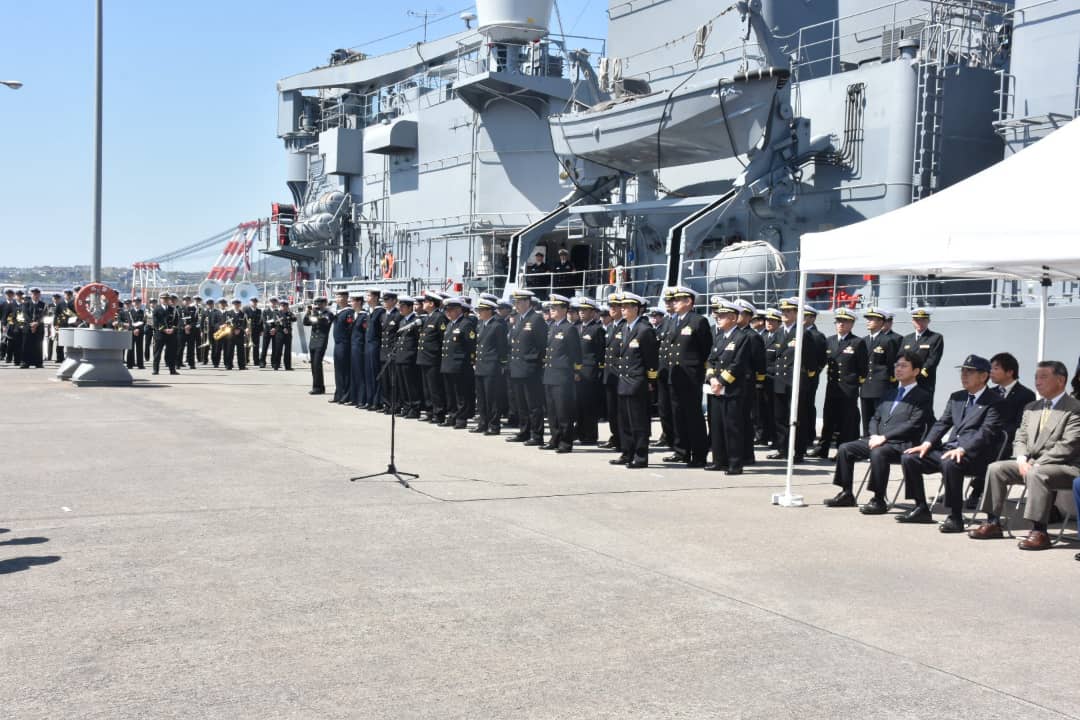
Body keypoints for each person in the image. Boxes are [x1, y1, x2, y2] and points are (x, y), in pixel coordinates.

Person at [970, 360, 1080, 550]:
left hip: (1065, 466)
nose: (1037, 381)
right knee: (996, 468)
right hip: (1030, 462)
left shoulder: (1075, 407)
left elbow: (1068, 446)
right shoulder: (1031, 407)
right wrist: (1021, 458)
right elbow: (1020, 437)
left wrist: (1037, 464)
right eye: (1036, 377)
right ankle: (993, 522)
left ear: (1061, 380)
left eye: (1044, 377)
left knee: (1038, 474)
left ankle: (1039, 531)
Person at [899, 355, 1003, 531]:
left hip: (976, 455)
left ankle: (955, 517)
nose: (964, 375)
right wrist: (926, 444)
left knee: (950, 462)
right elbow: (942, 423)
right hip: (950, 450)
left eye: (969, 372)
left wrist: (963, 448)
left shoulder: (996, 401)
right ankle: (921, 507)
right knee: (910, 457)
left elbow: (986, 432)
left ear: (983, 376)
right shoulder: (957, 397)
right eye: (962, 371)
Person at [825, 351, 932, 512]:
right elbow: (875, 417)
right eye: (897, 365)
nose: (898, 369)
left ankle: (878, 499)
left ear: (916, 371)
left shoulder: (922, 395)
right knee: (845, 448)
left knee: (878, 452)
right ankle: (846, 493)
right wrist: (874, 434)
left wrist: (884, 437)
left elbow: (914, 424)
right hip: (879, 439)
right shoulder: (889, 393)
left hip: (901, 443)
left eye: (904, 366)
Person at [662, 286, 713, 468]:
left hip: (691, 377)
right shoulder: (671, 322)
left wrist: (701, 371)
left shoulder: (698, 321)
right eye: (673, 300)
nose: (673, 303)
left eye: (678, 299)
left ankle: (699, 455)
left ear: (689, 302)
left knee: (693, 416)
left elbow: (706, 349)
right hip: (674, 376)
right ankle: (681, 451)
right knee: (677, 415)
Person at [610, 293, 658, 469]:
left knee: (638, 421)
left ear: (636, 309)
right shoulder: (624, 328)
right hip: (623, 380)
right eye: (621, 306)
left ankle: (640, 456)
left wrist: (650, 380)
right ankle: (627, 452)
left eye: (627, 306)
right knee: (624, 421)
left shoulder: (644, 330)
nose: (623, 309)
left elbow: (651, 359)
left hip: (638, 381)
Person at [704, 298, 752, 474]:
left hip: (732, 390)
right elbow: (710, 360)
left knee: (732, 427)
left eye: (722, 316)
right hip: (716, 389)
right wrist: (712, 379)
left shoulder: (742, 337)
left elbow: (737, 364)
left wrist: (721, 381)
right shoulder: (719, 337)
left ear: (733, 318)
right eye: (718, 316)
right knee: (716, 426)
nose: (718, 318)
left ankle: (735, 463)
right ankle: (719, 460)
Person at [813, 308, 868, 459]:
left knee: (846, 420)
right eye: (838, 321)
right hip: (833, 386)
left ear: (852, 324)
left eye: (845, 322)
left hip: (848, 387)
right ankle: (823, 448)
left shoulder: (857, 342)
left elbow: (863, 368)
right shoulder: (829, 341)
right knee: (829, 417)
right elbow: (822, 362)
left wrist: (856, 382)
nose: (841, 324)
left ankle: (843, 450)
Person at [768, 298, 818, 462]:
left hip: (795, 382)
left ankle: (798, 451)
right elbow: (773, 357)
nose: (784, 314)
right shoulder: (778, 333)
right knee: (779, 418)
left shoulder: (803, 333)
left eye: (788, 311)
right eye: (783, 311)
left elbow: (812, 360)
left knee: (797, 418)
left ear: (797, 313)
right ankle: (783, 449)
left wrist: (807, 379)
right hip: (780, 381)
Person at [541, 294, 582, 453]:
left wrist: (576, 371)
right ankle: (555, 438)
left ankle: (566, 442)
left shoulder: (569, 328)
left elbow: (576, 353)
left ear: (564, 310)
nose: (551, 310)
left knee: (563, 411)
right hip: (550, 374)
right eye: (550, 308)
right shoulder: (552, 327)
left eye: (555, 308)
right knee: (552, 412)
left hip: (562, 376)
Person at [507, 289, 548, 445]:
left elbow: (542, 344)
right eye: (515, 302)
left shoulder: (536, 319)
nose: (516, 305)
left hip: (530, 368)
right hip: (517, 368)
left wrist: (535, 362)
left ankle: (537, 435)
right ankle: (524, 431)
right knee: (521, 404)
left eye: (519, 302)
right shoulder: (519, 319)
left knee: (534, 404)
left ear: (527, 302)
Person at [859, 307, 901, 436]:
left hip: (881, 386)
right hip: (866, 386)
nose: (868, 321)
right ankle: (866, 443)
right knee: (866, 418)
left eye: (872, 319)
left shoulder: (888, 341)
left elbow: (892, 363)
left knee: (880, 418)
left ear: (881, 322)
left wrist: (891, 382)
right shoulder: (864, 340)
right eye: (868, 319)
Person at [733, 299, 766, 464]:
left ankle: (747, 455)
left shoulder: (753, 336)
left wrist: (758, 382)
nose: (736, 316)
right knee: (735, 420)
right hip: (733, 383)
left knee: (745, 420)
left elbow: (759, 363)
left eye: (740, 313)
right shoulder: (733, 334)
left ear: (747, 317)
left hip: (746, 383)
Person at [473, 297, 509, 435]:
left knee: (492, 398)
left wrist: (502, 364)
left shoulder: (497, 325)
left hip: (492, 366)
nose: (479, 313)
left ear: (489, 311)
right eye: (478, 310)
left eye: (481, 310)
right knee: (481, 398)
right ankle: (483, 423)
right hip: (481, 365)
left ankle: (494, 425)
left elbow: (502, 348)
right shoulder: (482, 324)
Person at [440, 297, 476, 429]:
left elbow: (471, 345)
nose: (448, 313)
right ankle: (452, 415)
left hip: (460, 365)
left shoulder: (465, 324)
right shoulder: (450, 324)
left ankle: (461, 418)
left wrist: (468, 361)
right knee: (450, 393)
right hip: (448, 364)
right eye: (447, 310)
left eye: (451, 310)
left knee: (461, 394)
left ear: (459, 310)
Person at [574, 297, 605, 445]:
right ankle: (580, 432)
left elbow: (600, 352)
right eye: (580, 310)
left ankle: (590, 435)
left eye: (585, 310)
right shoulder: (577, 327)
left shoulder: (597, 329)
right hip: (577, 371)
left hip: (589, 372)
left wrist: (597, 372)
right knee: (578, 404)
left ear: (593, 312)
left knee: (589, 405)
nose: (581, 313)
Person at [900, 308, 945, 405]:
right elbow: (901, 357)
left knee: (923, 407)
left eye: (923, 320)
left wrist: (920, 372)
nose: (920, 323)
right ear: (912, 321)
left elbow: (933, 358)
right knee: (906, 406)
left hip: (925, 379)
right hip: (908, 379)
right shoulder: (907, 338)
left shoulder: (935, 337)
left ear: (928, 321)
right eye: (917, 320)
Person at [418, 291, 447, 422]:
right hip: (424, 358)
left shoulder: (439, 317)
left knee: (435, 388)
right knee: (426, 388)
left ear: (431, 303)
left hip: (433, 358)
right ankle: (430, 411)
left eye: (425, 301)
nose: (423, 304)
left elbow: (442, 340)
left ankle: (438, 413)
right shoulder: (428, 317)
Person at [601, 296, 625, 453]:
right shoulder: (610, 327)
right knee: (612, 410)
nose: (613, 308)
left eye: (617, 306)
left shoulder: (625, 326)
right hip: (610, 374)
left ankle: (623, 440)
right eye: (611, 306)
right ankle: (615, 436)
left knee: (622, 411)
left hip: (621, 375)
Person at [654, 290, 676, 449]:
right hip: (663, 372)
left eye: (671, 301)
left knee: (677, 409)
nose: (668, 304)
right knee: (664, 408)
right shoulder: (666, 321)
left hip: (677, 372)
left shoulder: (684, 321)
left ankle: (678, 440)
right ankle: (668, 436)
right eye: (667, 301)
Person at [393, 295, 422, 418]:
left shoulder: (415, 321)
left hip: (410, 357)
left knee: (411, 385)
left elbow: (417, 340)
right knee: (402, 385)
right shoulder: (402, 321)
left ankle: (414, 408)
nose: (400, 308)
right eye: (400, 306)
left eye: (403, 306)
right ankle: (406, 407)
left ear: (410, 307)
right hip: (400, 356)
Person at [303, 298, 332, 394]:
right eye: (317, 303)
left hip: (321, 341)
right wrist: (309, 312)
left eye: (320, 303)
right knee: (313, 365)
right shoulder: (315, 313)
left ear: (325, 304)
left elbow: (322, 321)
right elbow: (306, 322)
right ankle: (318, 386)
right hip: (313, 342)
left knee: (317, 364)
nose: (318, 305)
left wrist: (315, 316)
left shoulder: (328, 314)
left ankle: (318, 387)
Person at [329, 291, 354, 404]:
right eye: (336, 297)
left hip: (344, 344)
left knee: (345, 371)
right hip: (338, 344)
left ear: (345, 298)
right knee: (338, 370)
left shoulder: (349, 312)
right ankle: (338, 393)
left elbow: (350, 328)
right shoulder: (338, 312)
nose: (337, 299)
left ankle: (346, 394)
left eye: (339, 297)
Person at [379, 291, 401, 413]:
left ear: (394, 301)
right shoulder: (383, 315)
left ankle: (395, 405)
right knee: (385, 380)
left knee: (393, 380)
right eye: (384, 300)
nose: (385, 302)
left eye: (387, 300)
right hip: (384, 351)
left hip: (392, 352)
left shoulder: (398, 315)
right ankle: (386, 404)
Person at [364, 289, 384, 410]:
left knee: (376, 373)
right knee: (369, 374)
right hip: (368, 345)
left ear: (376, 298)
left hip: (375, 346)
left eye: (369, 295)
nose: (367, 297)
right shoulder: (370, 312)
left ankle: (377, 401)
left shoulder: (380, 312)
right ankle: (370, 399)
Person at [152, 293, 181, 375]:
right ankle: (156, 369)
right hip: (160, 334)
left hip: (171, 334)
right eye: (163, 298)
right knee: (157, 352)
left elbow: (177, 321)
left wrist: (173, 329)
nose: (165, 300)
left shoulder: (173, 309)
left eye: (166, 298)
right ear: (160, 299)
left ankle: (172, 370)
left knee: (171, 352)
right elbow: (155, 323)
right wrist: (164, 329)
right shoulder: (156, 309)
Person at [347, 293, 368, 403]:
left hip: (360, 348)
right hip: (353, 347)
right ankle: (354, 397)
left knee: (360, 373)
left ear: (359, 302)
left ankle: (361, 398)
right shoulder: (353, 315)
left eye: (353, 301)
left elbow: (365, 333)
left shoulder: (364, 316)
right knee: (354, 372)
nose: (351, 303)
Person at [19, 287, 46, 368]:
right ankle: (25, 362)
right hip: (28, 327)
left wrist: (36, 323)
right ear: (31, 295)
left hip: (39, 327)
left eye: (37, 294)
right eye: (34, 294)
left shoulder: (43, 304)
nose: (36, 295)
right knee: (26, 345)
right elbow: (25, 315)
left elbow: (43, 315)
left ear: (39, 295)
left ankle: (38, 362)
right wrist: (31, 323)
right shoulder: (26, 304)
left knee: (38, 345)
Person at [224, 299, 248, 371]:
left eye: (238, 304)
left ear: (240, 305)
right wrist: (234, 329)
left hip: (240, 334)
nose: (236, 305)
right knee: (230, 350)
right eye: (235, 304)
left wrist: (240, 329)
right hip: (231, 334)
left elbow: (244, 324)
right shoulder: (228, 313)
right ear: (233, 305)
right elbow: (227, 323)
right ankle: (229, 365)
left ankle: (241, 366)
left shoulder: (243, 314)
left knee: (240, 351)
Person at [273, 300, 296, 371]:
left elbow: (294, 319)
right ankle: (276, 365)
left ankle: (288, 366)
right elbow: (276, 322)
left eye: (286, 306)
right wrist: (283, 328)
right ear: (280, 306)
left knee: (288, 350)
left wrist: (292, 315)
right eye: (283, 306)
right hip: (280, 333)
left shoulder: (289, 313)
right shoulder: (277, 313)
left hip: (288, 334)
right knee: (278, 349)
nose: (284, 307)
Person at [126, 296, 147, 369]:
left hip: (140, 332)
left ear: (140, 303)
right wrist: (134, 329)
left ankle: (140, 364)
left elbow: (144, 322)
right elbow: (129, 322)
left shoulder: (143, 312)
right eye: (135, 302)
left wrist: (138, 329)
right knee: (130, 348)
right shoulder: (130, 312)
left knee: (139, 348)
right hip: (131, 331)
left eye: (138, 302)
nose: (136, 303)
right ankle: (130, 364)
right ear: (133, 303)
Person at [179, 296, 199, 370]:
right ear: (183, 301)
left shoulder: (193, 309)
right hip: (182, 331)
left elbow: (195, 320)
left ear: (190, 301)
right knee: (180, 347)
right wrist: (184, 327)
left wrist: (190, 326)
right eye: (185, 300)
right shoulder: (179, 309)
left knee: (191, 348)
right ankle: (178, 363)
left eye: (188, 300)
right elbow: (178, 320)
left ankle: (191, 364)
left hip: (191, 331)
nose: (186, 301)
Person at [244, 298, 265, 368]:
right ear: (250, 302)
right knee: (247, 346)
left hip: (256, 331)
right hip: (248, 331)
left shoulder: (259, 311)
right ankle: (246, 360)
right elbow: (243, 321)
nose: (254, 303)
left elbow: (261, 321)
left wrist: (262, 330)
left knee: (256, 346)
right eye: (253, 302)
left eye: (255, 302)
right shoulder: (246, 310)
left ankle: (256, 361)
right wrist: (245, 328)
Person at [261, 297, 280, 366]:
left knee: (275, 347)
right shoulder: (265, 311)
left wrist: (275, 329)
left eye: (274, 302)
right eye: (272, 302)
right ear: (269, 303)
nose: (273, 303)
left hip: (276, 331)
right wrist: (270, 329)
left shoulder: (278, 311)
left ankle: (274, 362)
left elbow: (279, 322)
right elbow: (264, 321)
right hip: (267, 331)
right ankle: (262, 362)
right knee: (265, 347)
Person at [209, 299, 227, 368]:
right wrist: (219, 326)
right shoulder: (215, 313)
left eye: (223, 303)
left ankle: (226, 362)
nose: (222, 305)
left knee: (226, 348)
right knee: (217, 348)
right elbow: (213, 323)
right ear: (219, 305)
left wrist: (226, 325)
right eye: (221, 304)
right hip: (218, 332)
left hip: (226, 333)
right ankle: (216, 363)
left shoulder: (228, 312)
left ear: (225, 304)